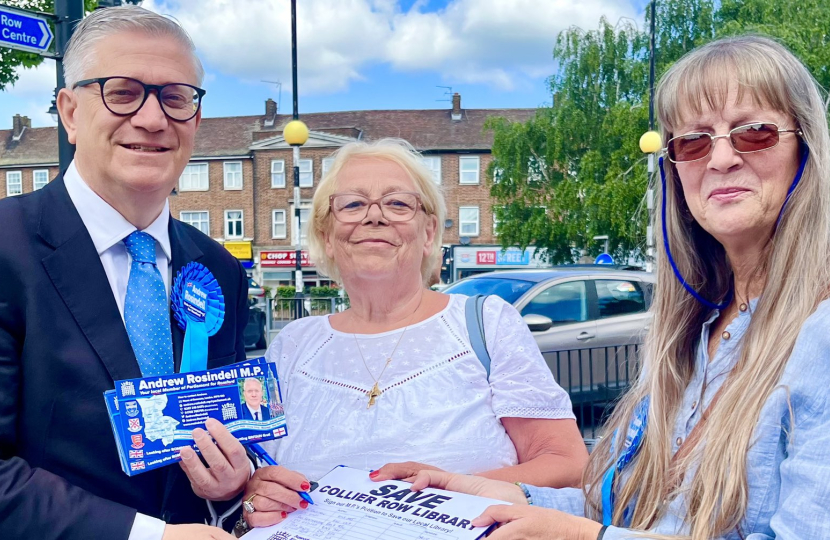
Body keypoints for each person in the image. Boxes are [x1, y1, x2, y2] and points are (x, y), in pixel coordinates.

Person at [400, 35, 830, 540]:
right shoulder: (693, 334)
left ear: (806, 146)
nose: (720, 159)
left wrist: (580, 537)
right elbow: (628, 505)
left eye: (753, 132)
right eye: (692, 141)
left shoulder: (819, 331)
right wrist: (487, 492)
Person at [239, 139, 588, 530]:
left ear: (428, 233)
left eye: (398, 204)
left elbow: (567, 465)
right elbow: (259, 476)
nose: (374, 217)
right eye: (352, 204)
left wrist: (454, 492)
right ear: (326, 236)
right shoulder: (292, 345)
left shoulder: (486, 324)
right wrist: (257, 498)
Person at [0, 6, 252, 540]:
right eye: (122, 92)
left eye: (175, 97)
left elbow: (219, 431)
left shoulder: (220, 269)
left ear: (195, 120)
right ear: (69, 112)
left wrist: (235, 487)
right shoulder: (6, 247)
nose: (153, 119)